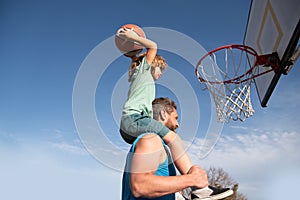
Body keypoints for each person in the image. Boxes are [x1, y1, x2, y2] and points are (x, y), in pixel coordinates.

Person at [122, 97, 234, 200]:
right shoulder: (151, 139)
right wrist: (192, 179)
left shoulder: (160, 146)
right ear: (163, 114)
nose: (177, 124)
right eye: (175, 118)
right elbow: (140, 185)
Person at [118, 26, 194, 176]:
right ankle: (199, 186)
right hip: (135, 119)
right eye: (160, 69)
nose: (160, 73)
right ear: (153, 65)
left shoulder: (138, 76)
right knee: (174, 139)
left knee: (160, 146)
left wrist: (130, 52)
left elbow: (134, 59)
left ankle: (172, 188)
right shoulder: (144, 72)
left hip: (128, 127)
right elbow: (153, 46)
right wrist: (132, 37)